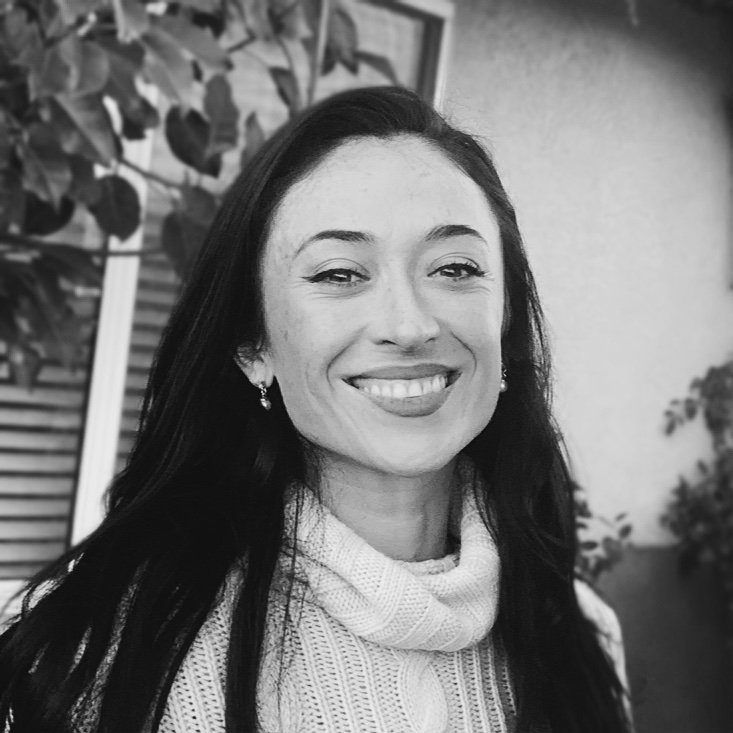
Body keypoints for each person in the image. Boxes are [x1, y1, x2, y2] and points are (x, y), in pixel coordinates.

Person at [0, 86, 632, 732]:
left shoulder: (579, 637)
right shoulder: (101, 656)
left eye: (453, 268)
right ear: (253, 346)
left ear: (504, 320)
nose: (408, 326)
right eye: (339, 274)